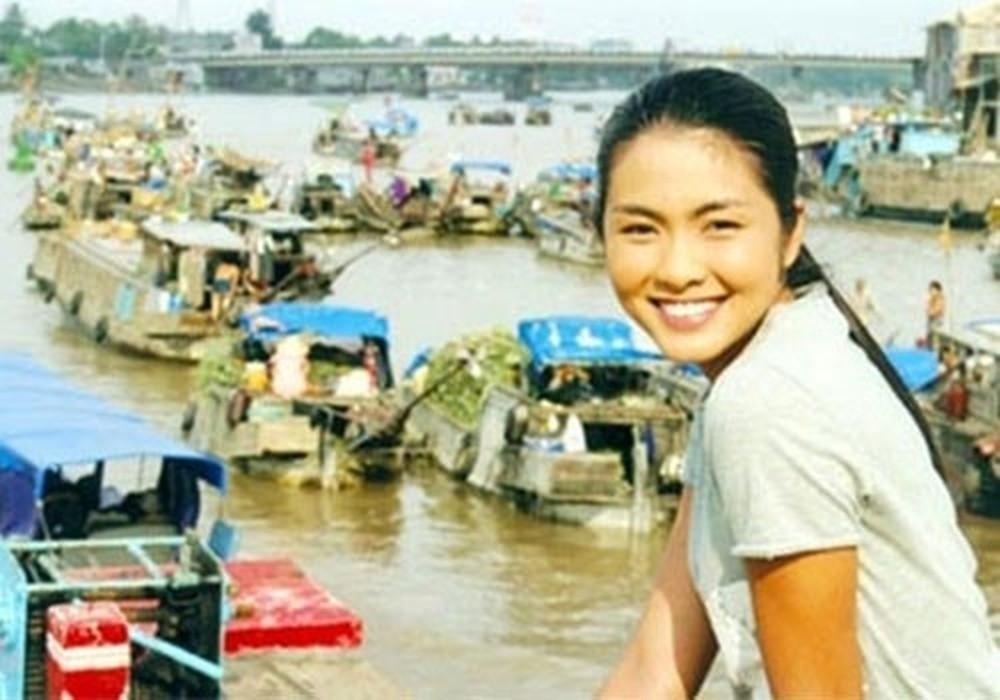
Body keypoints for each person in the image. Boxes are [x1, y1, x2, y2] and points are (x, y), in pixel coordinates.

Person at [595, 69, 1000, 698]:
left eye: (720, 226)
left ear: (791, 234)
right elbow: (654, 672)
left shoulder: (768, 400)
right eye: (641, 229)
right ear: (601, 234)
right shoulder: (762, 370)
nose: (677, 269)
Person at [926, 279, 946, 347]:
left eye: (932, 290)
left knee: (935, 341)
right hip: (932, 324)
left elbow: (935, 311)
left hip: (937, 323)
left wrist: (930, 311)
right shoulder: (932, 300)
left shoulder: (940, 299)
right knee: (930, 339)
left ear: (938, 290)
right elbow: (928, 311)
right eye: (930, 290)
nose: (930, 292)